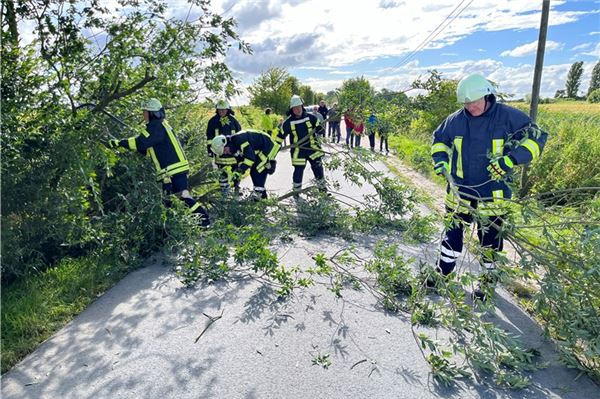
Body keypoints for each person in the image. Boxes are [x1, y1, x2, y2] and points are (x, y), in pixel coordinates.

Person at [430, 73, 548, 301]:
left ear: (486, 96)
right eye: (466, 103)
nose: (470, 107)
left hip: (492, 197)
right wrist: (441, 161)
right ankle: (442, 274)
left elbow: (537, 137)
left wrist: (511, 159)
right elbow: (439, 140)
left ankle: (487, 284)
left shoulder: (508, 117)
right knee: (451, 236)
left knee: (490, 243)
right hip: (459, 193)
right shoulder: (455, 120)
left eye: (473, 102)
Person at [106, 98, 210, 226]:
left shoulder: (155, 126)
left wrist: (118, 143)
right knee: (169, 201)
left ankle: (204, 222)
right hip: (172, 170)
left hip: (172, 170)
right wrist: (137, 146)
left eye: (145, 111)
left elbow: (140, 143)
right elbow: (147, 149)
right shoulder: (160, 125)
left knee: (182, 197)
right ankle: (175, 227)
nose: (143, 114)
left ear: (152, 113)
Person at [278, 95, 327, 197]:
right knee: (298, 171)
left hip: (313, 148)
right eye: (295, 108)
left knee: (318, 169)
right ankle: (296, 192)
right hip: (298, 151)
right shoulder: (288, 122)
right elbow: (279, 137)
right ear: (292, 109)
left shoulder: (311, 117)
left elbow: (321, 129)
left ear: (302, 106)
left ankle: (322, 191)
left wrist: (320, 129)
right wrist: (274, 149)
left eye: (299, 107)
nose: (298, 109)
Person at [211, 130, 280, 199]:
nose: (226, 153)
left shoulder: (240, 140)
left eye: (225, 150)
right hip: (260, 150)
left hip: (268, 146)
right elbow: (241, 161)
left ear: (226, 144)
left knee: (256, 170)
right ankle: (262, 195)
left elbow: (250, 159)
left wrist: (240, 170)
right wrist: (237, 174)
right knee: (256, 169)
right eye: (224, 152)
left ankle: (258, 195)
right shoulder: (234, 146)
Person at [206, 100, 242, 194]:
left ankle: (237, 186)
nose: (222, 112)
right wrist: (210, 150)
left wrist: (239, 148)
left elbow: (240, 135)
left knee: (236, 169)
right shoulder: (213, 121)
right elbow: (209, 137)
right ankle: (224, 189)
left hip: (233, 151)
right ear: (217, 110)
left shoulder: (233, 121)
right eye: (220, 110)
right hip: (219, 151)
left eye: (224, 110)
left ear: (228, 110)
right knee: (221, 171)